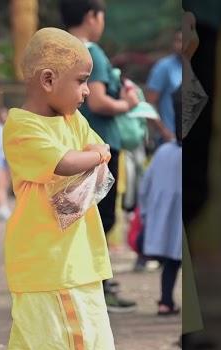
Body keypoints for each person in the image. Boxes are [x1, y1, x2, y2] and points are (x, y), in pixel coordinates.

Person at [0, 28, 125, 350]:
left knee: (68, 346)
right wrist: (98, 155)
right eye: (80, 80)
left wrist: (95, 151)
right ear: (46, 80)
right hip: (46, 260)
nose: (85, 92)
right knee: (61, 346)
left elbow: (93, 144)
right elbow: (66, 161)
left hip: (78, 258)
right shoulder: (21, 127)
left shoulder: (72, 120)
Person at [60, 0, 139, 313]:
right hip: (99, 146)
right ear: (92, 16)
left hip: (71, 144)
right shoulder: (92, 52)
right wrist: (130, 104)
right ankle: (98, 285)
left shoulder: (57, 47)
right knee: (100, 217)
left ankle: (76, 281)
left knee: (74, 213)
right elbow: (100, 102)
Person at [139, 88, 182, 316]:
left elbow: (145, 187)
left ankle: (166, 301)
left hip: (166, 224)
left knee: (170, 263)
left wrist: (146, 214)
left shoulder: (164, 153)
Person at [145, 28, 182, 144]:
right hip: (169, 139)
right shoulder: (164, 67)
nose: (180, 45)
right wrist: (164, 132)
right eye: (177, 40)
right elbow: (148, 104)